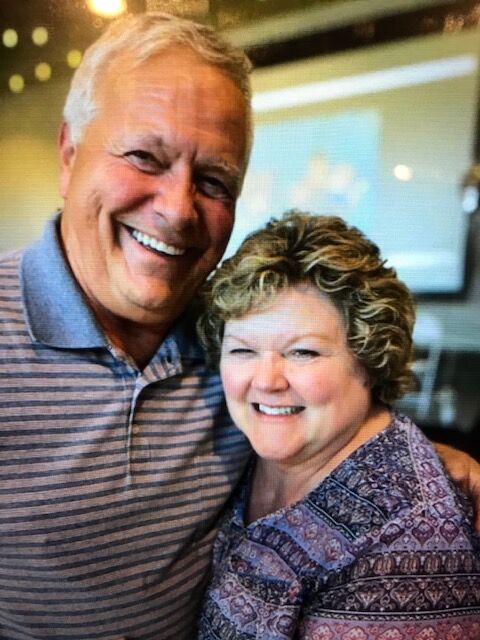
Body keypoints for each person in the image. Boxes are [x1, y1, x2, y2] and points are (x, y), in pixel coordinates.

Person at [0, 10, 478, 640]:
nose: (178, 209)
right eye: (144, 156)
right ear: (68, 152)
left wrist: (426, 469)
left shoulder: (229, 331)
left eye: (213, 180)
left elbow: (335, 435)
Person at [197, 212, 480, 639]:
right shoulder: (252, 446)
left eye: (303, 352)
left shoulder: (401, 539)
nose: (266, 381)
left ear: (370, 359)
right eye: (242, 350)